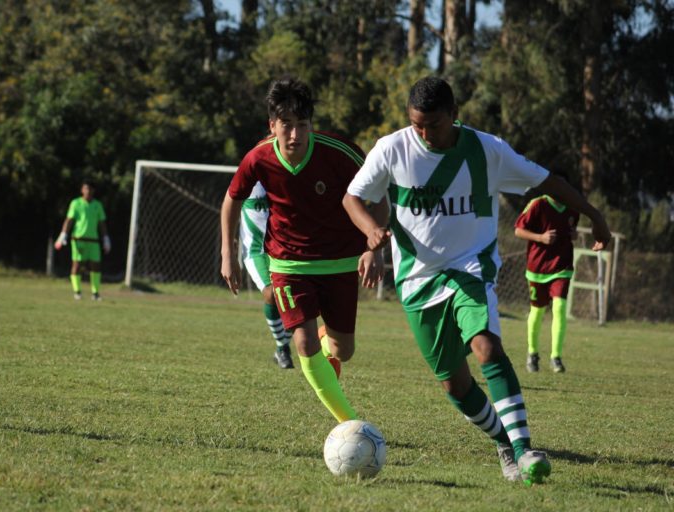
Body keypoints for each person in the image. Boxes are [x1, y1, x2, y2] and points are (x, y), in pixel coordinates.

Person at [342, 76, 611, 485]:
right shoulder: (392, 148)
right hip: (417, 281)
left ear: (454, 115)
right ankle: (504, 441)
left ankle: (523, 450)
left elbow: (546, 180)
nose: (424, 133)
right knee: (455, 384)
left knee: (487, 346)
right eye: (417, 124)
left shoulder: (487, 149)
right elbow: (352, 197)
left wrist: (595, 214)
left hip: (470, 268)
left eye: (433, 124)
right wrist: (370, 234)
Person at [220, 77, 387, 424]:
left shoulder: (340, 153)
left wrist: (375, 249)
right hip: (288, 263)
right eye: (287, 126)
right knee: (303, 342)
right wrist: (228, 254)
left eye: (303, 126)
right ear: (272, 125)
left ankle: (328, 341)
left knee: (344, 350)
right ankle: (351, 424)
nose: (295, 135)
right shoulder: (258, 158)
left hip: (340, 261)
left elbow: (380, 196)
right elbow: (231, 200)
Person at [514, 172, 580, 374]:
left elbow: (571, 230)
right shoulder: (537, 205)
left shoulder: (572, 208)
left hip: (562, 266)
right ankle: (532, 354)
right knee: (538, 311)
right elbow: (518, 230)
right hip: (537, 268)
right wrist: (540, 238)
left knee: (559, 308)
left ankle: (556, 358)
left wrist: (574, 235)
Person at [240, 181, 294, 369]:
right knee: (271, 293)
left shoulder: (285, 178)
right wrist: (228, 247)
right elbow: (229, 206)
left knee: (298, 299)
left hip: (284, 251)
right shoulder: (249, 178)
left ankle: (282, 348)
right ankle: (283, 348)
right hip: (256, 252)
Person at [54, 181, 111, 300]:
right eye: (86, 189)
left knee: (96, 265)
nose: (88, 191)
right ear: (82, 190)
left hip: (93, 240)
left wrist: (106, 238)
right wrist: (63, 235)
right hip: (78, 239)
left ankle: (95, 293)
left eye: (90, 189)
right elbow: (69, 220)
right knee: (77, 265)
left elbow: (102, 223)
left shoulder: (97, 205)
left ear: (93, 190)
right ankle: (77, 291)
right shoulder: (76, 203)